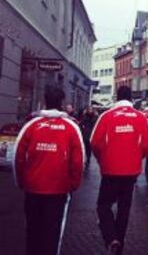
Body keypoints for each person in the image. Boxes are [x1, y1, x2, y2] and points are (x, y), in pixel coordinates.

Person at [14, 85, 84, 255]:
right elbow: (78, 161)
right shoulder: (71, 127)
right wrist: (73, 184)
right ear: (61, 103)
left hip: (32, 189)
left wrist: (22, 182)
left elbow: (18, 157)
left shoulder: (31, 125)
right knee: (52, 234)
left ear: (45, 101)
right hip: (59, 190)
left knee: (32, 231)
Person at [90, 86, 148, 254]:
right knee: (124, 209)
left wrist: (102, 159)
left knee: (103, 205)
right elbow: (147, 144)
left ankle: (111, 237)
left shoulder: (106, 116)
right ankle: (119, 246)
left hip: (110, 169)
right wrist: (137, 157)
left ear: (117, 97)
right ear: (131, 98)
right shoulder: (141, 118)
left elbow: (95, 142)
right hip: (131, 171)